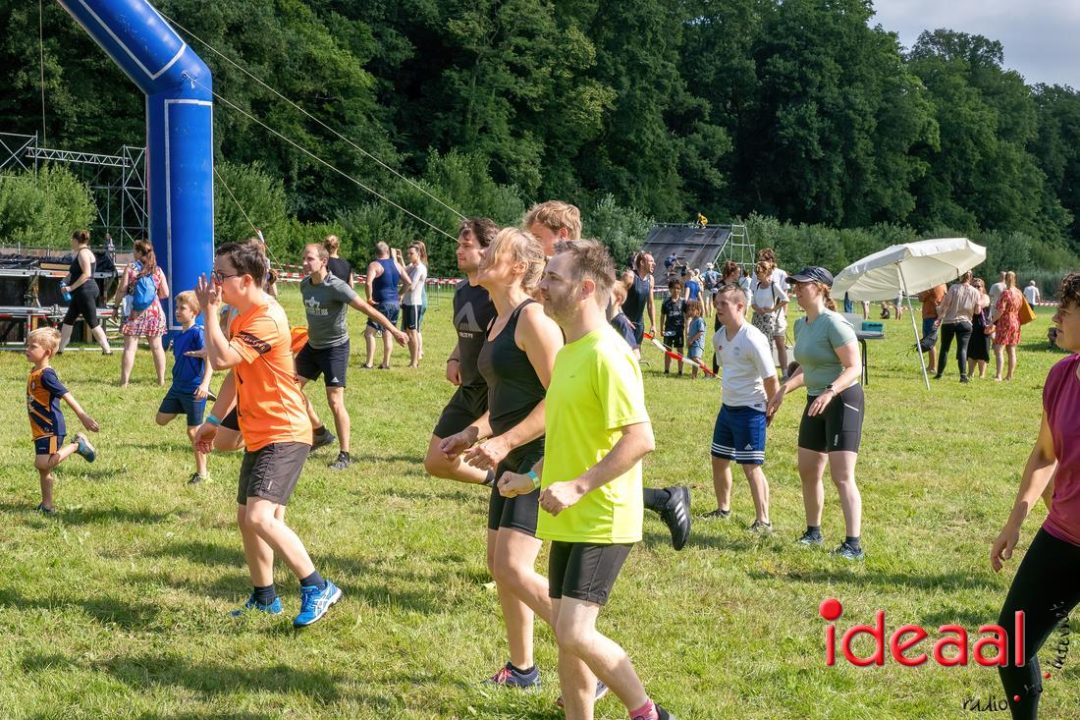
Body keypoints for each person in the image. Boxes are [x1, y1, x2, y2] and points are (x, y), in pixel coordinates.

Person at [498, 239, 675, 720]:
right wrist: (531, 478)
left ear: (586, 289)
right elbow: (571, 439)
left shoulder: (607, 354)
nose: (542, 285)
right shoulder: (571, 352)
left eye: (554, 277)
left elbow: (640, 438)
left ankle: (648, 713)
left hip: (602, 517)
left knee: (575, 631)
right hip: (571, 519)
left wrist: (577, 487)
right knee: (566, 638)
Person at [439, 227, 563, 688]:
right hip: (510, 454)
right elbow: (508, 401)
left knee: (513, 567)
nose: (485, 253)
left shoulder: (534, 320)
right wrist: (474, 431)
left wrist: (505, 443)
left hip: (539, 457)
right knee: (500, 566)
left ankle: (591, 655)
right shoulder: (498, 321)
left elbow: (560, 401)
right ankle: (523, 668)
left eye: (496, 250)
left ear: (518, 267)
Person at [194, 241, 341, 627]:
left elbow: (220, 359)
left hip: (285, 432)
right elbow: (235, 372)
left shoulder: (266, 318)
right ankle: (265, 598)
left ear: (245, 280)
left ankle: (318, 586)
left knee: (261, 516)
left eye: (221, 276)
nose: (214, 282)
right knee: (248, 517)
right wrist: (214, 420)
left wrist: (208, 311)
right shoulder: (242, 317)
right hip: (261, 431)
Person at [990, 273, 1080, 720]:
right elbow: (1045, 453)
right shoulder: (1062, 376)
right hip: (1063, 536)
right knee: (1011, 646)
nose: (1055, 316)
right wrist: (1015, 522)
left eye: (1066, 309)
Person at [766, 267, 865, 560]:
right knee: (808, 470)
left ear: (821, 288)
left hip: (842, 400)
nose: (795, 289)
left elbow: (854, 367)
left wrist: (830, 391)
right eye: (794, 285)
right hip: (815, 400)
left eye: (802, 285)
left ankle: (853, 545)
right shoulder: (801, 325)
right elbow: (807, 368)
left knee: (842, 475)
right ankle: (813, 532)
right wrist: (784, 389)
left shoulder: (834, 324)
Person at [297, 243, 407, 470]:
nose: (305, 263)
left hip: (335, 348)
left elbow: (368, 309)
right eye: (304, 259)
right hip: (312, 346)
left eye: (309, 259)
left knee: (335, 401)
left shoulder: (337, 287)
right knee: (290, 390)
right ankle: (320, 433)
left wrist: (394, 331)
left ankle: (344, 454)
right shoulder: (304, 285)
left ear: (323, 261)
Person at [425, 218, 500, 486]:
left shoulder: (498, 293)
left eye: (467, 245)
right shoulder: (461, 290)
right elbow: (468, 330)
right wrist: (455, 356)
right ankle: (494, 481)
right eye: (459, 245)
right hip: (468, 388)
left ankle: (508, 487)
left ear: (488, 250)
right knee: (435, 460)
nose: (459, 250)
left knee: (507, 458)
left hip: (496, 390)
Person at [706, 284, 779, 530]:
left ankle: (763, 521)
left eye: (723, 304)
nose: (718, 308)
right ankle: (723, 509)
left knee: (751, 467)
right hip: (727, 409)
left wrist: (771, 408)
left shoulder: (752, 338)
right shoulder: (718, 337)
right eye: (716, 303)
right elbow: (728, 368)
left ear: (740, 307)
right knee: (719, 459)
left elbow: (771, 379)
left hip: (751, 410)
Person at [25, 327, 99, 514]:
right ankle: (47, 505)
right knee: (44, 470)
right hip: (40, 429)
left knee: (43, 464)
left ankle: (77, 445)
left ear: (47, 352)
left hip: (50, 428)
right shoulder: (35, 371)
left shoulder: (46, 375)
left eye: (33, 346)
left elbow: (66, 394)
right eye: (28, 345)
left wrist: (83, 416)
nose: (27, 349)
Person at [155, 291, 213, 485]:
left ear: (195, 312)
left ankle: (202, 474)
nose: (177, 311)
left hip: (195, 388)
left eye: (183, 308)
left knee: (193, 432)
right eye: (177, 308)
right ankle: (189, 409)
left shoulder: (198, 332)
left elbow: (209, 357)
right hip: (177, 388)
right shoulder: (178, 336)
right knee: (161, 419)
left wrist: (204, 384)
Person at [113, 239, 170, 387]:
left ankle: (124, 382)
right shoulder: (157, 270)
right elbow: (165, 293)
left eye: (134, 250)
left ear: (139, 252)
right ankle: (161, 380)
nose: (133, 253)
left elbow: (122, 290)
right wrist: (152, 295)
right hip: (154, 312)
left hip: (134, 312)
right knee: (157, 347)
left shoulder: (131, 268)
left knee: (130, 348)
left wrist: (115, 306)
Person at [58, 230, 112, 355]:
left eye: (72, 240)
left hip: (85, 291)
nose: (71, 242)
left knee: (92, 322)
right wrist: (65, 281)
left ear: (76, 240)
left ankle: (107, 350)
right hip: (81, 292)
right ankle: (60, 349)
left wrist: (70, 288)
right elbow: (74, 273)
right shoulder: (81, 253)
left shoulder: (83, 253)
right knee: (68, 320)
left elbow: (86, 274)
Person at [364, 241, 412, 369]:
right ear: (387, 251)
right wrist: (400, 294)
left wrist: (369, 298)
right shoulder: (396, 264)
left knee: (369, 333)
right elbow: (408, 282)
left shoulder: (374, 265)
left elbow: (368, 283)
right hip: (394, 303)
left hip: (381, 303)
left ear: (376, 252)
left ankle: (369, 363)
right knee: (388, 332)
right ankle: (386, 363)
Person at [934, 271, 980, 383]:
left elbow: (946, 305)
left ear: (960, 276)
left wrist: (939, 318)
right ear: (971, 278)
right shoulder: (975, 291)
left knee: (945, 348)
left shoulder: (954, 288)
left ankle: (939, 374)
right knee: (963, 349)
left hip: (949, 321)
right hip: (965, 323)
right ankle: (963, 375)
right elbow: (977, 311)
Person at [750, 261, 788, 367]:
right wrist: (758, 309)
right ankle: (757, 368)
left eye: (759, 273)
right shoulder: (757, 285)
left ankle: (768, 368)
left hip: (768, 320)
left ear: (766, 272)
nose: (757, 275)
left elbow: (785, 299)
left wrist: (772, 309)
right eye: (756, 273)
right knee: (755, 344)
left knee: (766, 345)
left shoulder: (773, 285)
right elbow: (753, 302)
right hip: (757, 318)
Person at [758, 249, 790, 373]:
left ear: (771, 260)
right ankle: (766, 372)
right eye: (760, 260)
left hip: (778, 314)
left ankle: (785, 372)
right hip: (763, 315)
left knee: (780, 342)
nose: (761, 262)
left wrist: (784, 315)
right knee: (764, 343)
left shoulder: (781, 274)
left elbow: (785, 296)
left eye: (763, 260)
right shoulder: (758, 272)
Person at [401, 241, 429, 368]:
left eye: (411, 253)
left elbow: (411, 286)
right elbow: (401, 272)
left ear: (418, 254)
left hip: (414, 304)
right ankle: (412, 360)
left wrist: (399, 293)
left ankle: (415, 361)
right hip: (407, 303)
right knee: (408, 333)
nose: (409, 256)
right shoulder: (411, 266)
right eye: (408, 253)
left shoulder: (420, 268)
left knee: (413, 333)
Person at [993, 271, 1024, 382]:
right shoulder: (1019, 292)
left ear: (1005, 279)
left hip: (1005, 321)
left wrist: (992, 321)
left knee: (999, 349)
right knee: (1011, 349)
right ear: (1015, 279)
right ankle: (1009, 376)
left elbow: (1000, 310)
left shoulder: (1005, 293)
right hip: (1016, 321)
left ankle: (998, 375)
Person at [621, 252, 656, 348]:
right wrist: (623, 318)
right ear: (642, 263)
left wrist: (653, 324)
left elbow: (650, 304)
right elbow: (616, 299)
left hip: (639, 325)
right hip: (624, 323)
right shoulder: (629, 276)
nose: (654, 264)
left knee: (636, 353)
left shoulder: (650, 279)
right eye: (651, 261)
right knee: (624, 352)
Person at [917, 284, 946, 374]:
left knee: (930, 342)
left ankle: (933, 367)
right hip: (937, 315)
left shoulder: (930, 285)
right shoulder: (943, 285)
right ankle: (931, 366)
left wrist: (919, 290)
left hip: (930, 315)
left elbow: (921, 298)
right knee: (931, 341)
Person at [660, 279, 686, 375]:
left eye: (678, 288)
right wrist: (661, 329)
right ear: (670, 289)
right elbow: (662, 316)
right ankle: (666, 370)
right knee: (668, 350)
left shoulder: (683, 302)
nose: (676, 290)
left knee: (680, 350)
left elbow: (687, 316)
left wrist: (687, 329)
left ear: (681, 290)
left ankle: (680, 371)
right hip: (668, 330)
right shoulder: (665, 302)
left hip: (679, 330)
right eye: (674, 288)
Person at [968, 278, 992, 380]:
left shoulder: (985, 297)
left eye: (979, 286)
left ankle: (982, 374)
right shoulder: (969, 297)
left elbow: (977, 310)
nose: (976, 288)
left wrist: (974, 299)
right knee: (971, 350)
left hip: (983, 328)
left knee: (982, 351)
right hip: (971, 326)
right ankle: (970, 373)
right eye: (974, 286)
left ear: (983, 288)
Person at [610, 283, 640, 359]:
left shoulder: (622, 323)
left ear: (618, 299)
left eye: (607, 295)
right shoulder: (604, 320)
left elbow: (636, 354)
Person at [685, 300, 706, 380]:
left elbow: (701, 332)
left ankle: (707, 371)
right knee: (694, 361)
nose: (690, 312)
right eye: (689, 310)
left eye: (693, 310)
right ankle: (694, 375)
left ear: (698, 310)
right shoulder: (692, 321)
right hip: (692, 344)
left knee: (696, 359)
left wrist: (692, 340)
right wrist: (688, 341)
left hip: (697, 344)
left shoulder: (700, 320)